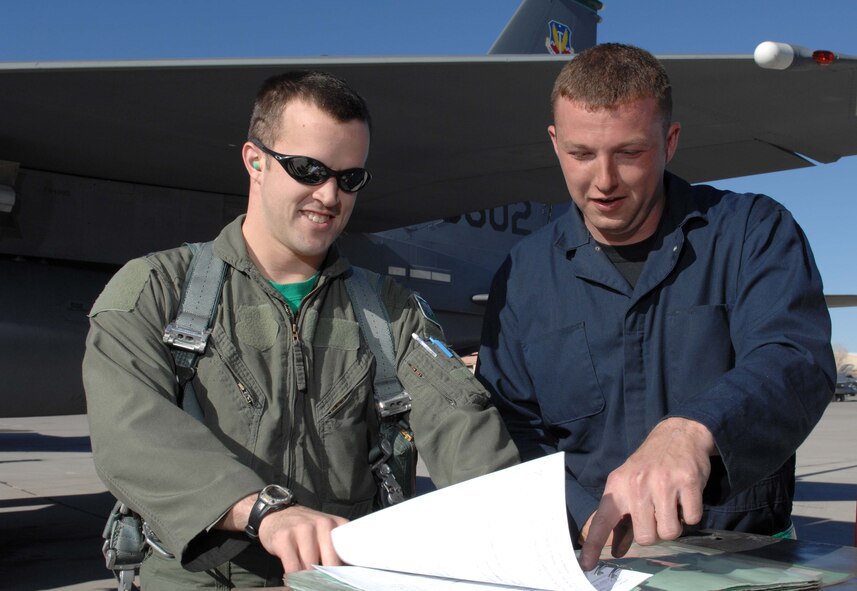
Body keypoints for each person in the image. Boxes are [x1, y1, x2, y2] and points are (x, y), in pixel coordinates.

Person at [83, 70, 519, 588]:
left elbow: (463, 426)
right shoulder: (158, 290)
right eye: (308, 170)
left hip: (336, 576)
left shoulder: (392, 313)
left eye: (349, 178)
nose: (330, 195)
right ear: (255, 161)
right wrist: (259, 510)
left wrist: (520, 531)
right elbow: (129, 432)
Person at [475, 43, 835, 571]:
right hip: (590, 561)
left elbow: (794, 359)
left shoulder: (755, 232)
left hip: (746, 561)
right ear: (554, 143)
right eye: (580, 154)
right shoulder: (524, 274)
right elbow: (511, 426)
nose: (603, 181)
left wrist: (691, 430)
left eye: (628, 153)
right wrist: (588, 515)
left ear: (670, 141)